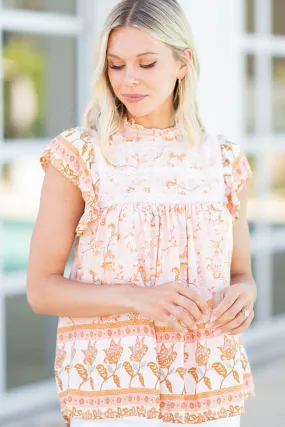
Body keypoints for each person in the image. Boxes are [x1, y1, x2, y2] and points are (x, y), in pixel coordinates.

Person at [27, 0, 257, 426]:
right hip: (110, 389)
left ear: (183, 62)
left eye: (146, 63)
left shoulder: (224, 160)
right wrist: (140, 299)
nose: (128, 80)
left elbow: (241, 272)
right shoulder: (79, 154)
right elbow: (41, 290)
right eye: (115, 66)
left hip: (205, 384)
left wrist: (245, 294)